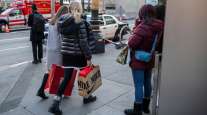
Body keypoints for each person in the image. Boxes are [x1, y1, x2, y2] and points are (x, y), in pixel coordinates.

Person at [48, 1, 97, 115]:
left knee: (66, 79)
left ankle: (55, 104)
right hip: (78, 55)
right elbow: (83, 42)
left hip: (66, 55)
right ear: (79, 9)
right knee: (84, 76)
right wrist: (88, 56)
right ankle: (86, 97)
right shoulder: (81, 22)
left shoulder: (62, 21)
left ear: (70, 9)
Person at [125, 4, 164, 115]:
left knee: (138, 84)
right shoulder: (159, 25)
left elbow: (132, 43)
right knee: (147, 83)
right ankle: (146, 107)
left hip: (138, 60)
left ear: (142, 14)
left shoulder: (143, 27)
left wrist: (137, 27)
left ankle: (137, 110)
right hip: (149, 58)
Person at [36, 6, 69, 99]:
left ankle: (41, 90)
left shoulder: (51, 22)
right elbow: (62, 38)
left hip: (50, 49)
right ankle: (60, 91)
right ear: (64, 13)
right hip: (58, 50)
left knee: (49, 70)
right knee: (61, 71)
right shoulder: (60, 23)